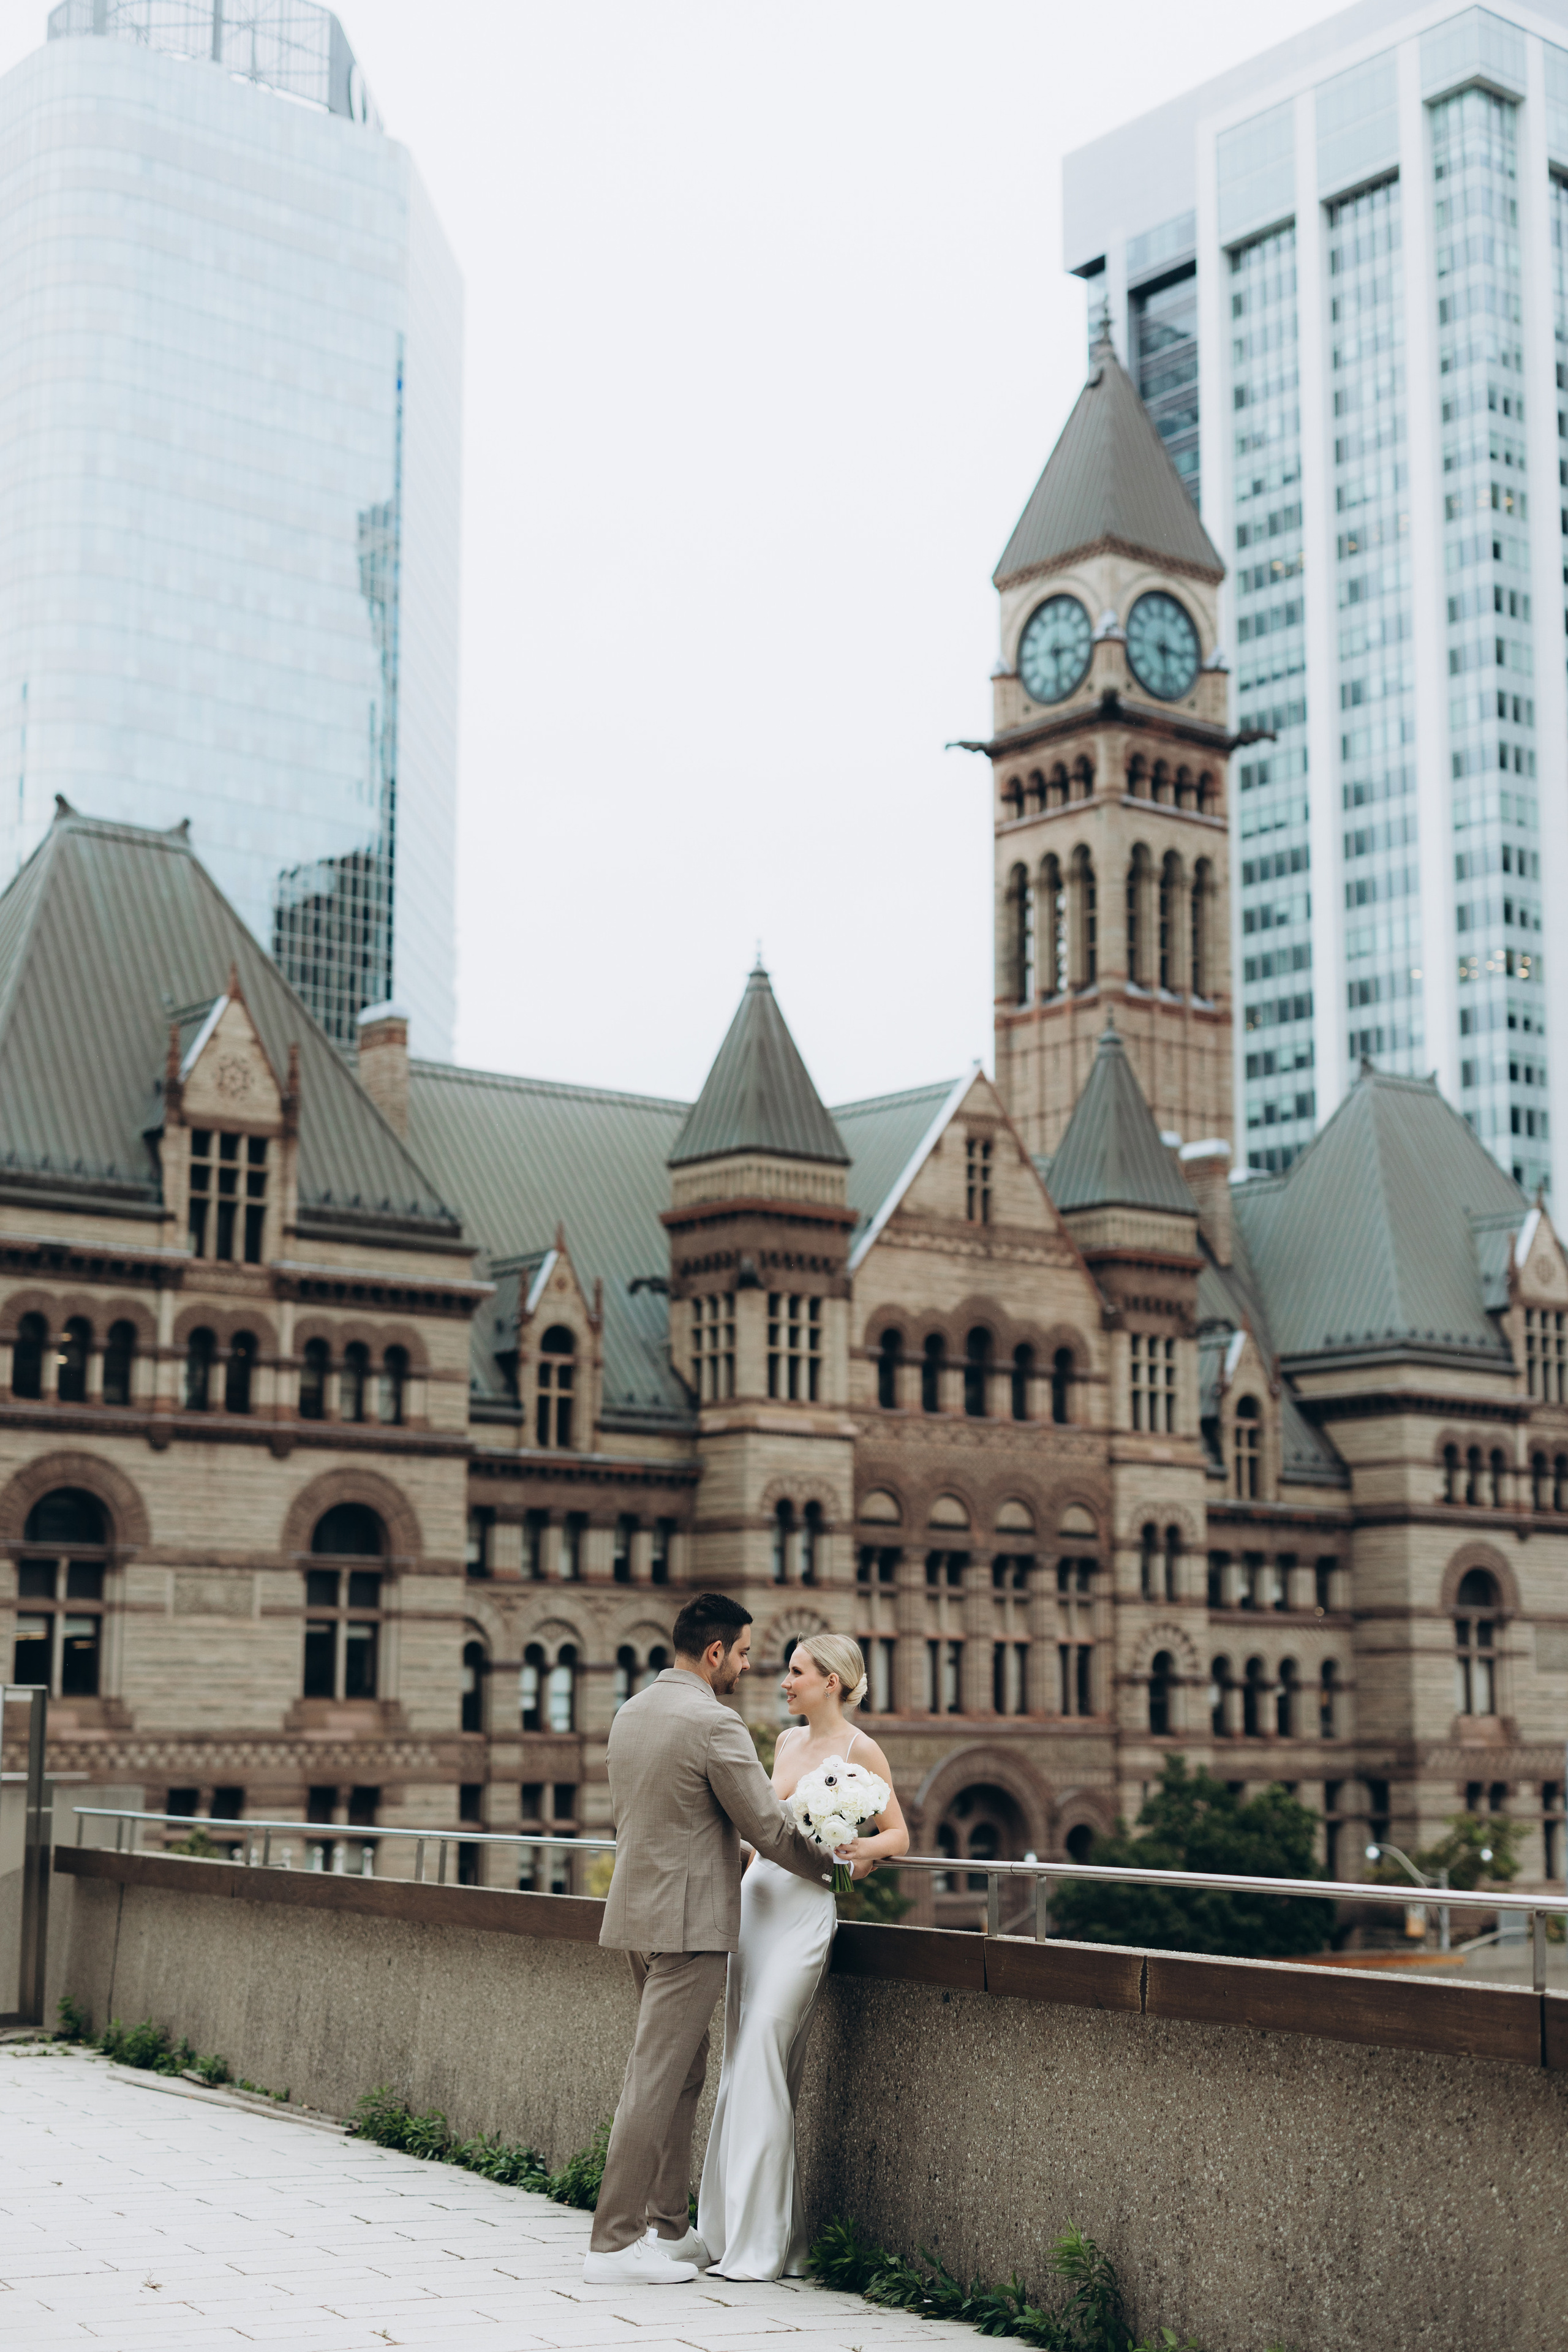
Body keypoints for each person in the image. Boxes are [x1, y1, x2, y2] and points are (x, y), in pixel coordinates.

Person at [584, 1592, 830, 2285]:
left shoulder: (632, 1711)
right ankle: (612, 2242)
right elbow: (769, 1827)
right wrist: (833, 1869)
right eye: (746, 1653)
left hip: (636, 1911)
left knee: (683, 2072)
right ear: (715, 1652)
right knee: (655, 2079)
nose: (750, 1666)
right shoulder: (713, 1724)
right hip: (689, 1924)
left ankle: (668, 2227)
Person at [698, 1632, 908, 2280]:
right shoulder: (786, 1743)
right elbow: (761, 1834)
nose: (782, 1682)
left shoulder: (860, 1748)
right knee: (745, 2065)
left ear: (832, 1682)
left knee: (763, 2045)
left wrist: (854, 1859)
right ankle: (740, 2235)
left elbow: (895, 1835)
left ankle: (763, 2246)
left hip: (805, 1918)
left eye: (795, 1672)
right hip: (754, 1906)